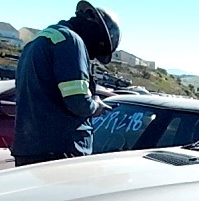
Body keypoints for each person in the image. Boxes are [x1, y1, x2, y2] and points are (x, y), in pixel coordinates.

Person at [12, 1, 120, 167]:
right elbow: (78, 101)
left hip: (29, 148)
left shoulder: (41, 40)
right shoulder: (70, 41)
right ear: (97, 33)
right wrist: (95, 106)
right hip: (59, 151)